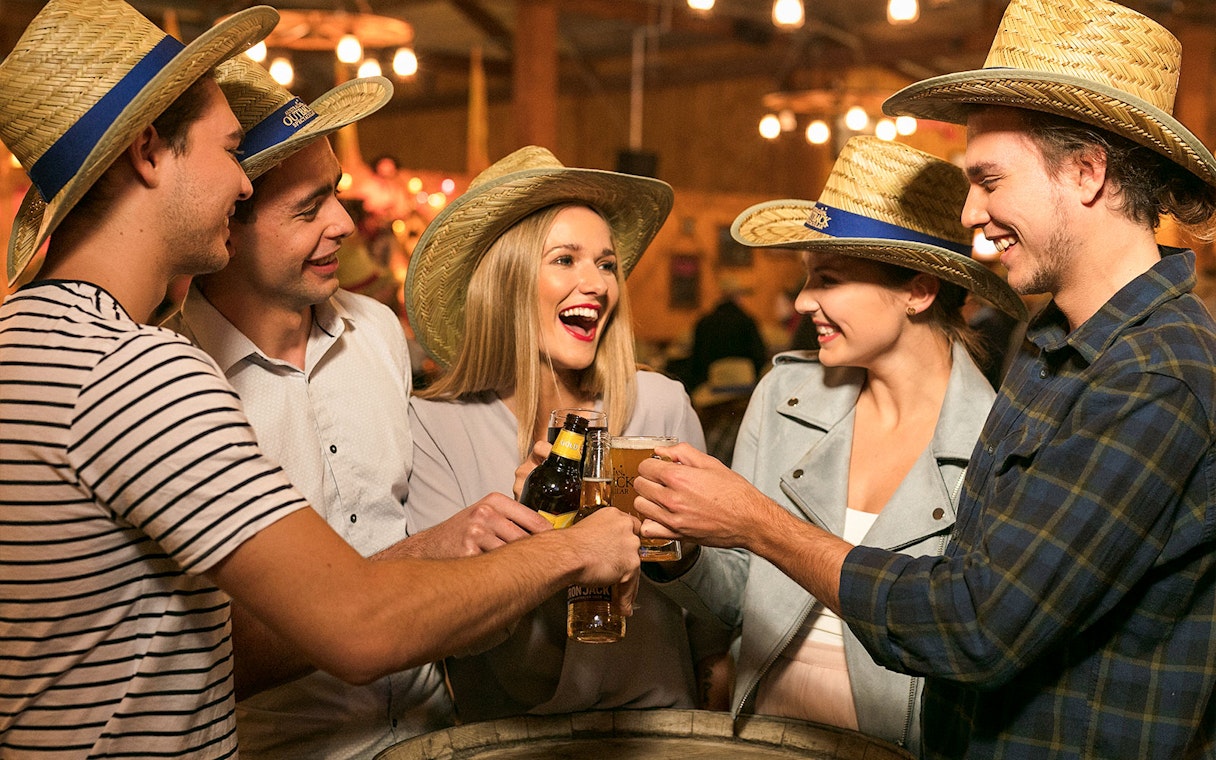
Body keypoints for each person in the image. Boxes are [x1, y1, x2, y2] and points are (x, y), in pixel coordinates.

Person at [0, 2, 641, 756]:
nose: (241, 184)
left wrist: (439, 548)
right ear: (148, 151)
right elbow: (356, 626)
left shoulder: (31, 341)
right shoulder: (139, 369)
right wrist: (574, 549)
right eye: (231, 150)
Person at [634, 0, 1216, 757]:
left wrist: (757, 521)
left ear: (1086, 170)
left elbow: (974, 625)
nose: (970, 210)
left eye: (990, 179)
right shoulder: (1055, 348)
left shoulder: (1156, 373)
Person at [162, 57, 502, 758]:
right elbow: (191, 654)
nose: (347, 224)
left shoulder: (377, 330)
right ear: (230, 221)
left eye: (338, 195)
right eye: (309, 208)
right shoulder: (176, 376)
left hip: (436, 729)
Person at [648, 135, 1026, 755]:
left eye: (827, 279)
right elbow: (736, 603)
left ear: (919, 290)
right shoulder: (785, 397)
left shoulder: (997, 439)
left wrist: (750, 519)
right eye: (806, 279)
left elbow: (972, 643)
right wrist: (675, 549)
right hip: (762, 741)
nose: (802, 303)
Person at [405, 146, 732, 720]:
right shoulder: (435, 425)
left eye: (606, 264)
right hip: (506, 738)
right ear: (506, 279)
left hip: (656, 728)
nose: (597, 284)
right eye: (565, 260)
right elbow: (446, 632)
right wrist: (539, 538)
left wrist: (677, 554)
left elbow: (717, 609)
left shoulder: (659, 405)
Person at [679, 274, 768, 392]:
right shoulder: (747, 321)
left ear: (720, 295)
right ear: (738, 296)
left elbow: (697, 360)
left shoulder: (704, 322)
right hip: (745, 389)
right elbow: (759, 356)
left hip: (710, 388)